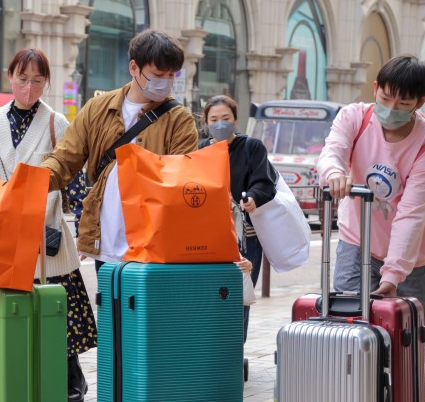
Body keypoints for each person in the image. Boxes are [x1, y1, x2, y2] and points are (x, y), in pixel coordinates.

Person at [0, 48, 96, 402]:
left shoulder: (56, 124)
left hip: (44, 229)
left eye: (37, 81)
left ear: (46, 82)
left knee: (57, 303)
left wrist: (85, 231)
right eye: (22, 79)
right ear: (9, 77)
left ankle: (70, 375)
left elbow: (74, 183)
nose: (29, 88)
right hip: (0, 230)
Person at [39, 28, 199, 271]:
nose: (165, 83)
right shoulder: (97, 108)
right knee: (109, 308)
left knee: (146, 309)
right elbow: (64, 160)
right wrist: (30, 182)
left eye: (170, 75)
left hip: (153, 246)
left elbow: (181, 181)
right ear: (134, 68)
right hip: (105, 242)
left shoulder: (180, 120)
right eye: (157, 75)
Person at [317, 53, 425, 332]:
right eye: (385, 99)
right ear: (375, 88)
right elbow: (332, 151)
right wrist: (334, 173)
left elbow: (411, 213)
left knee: (408, 335)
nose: (391, 108)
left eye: (404, 103)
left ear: (420, 102)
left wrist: (394, 273)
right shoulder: (354, 117)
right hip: (357, 239)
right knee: (347, 329)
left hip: (412, 256)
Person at [199, 95, 277, 342]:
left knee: (239, 294)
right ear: (205, 122)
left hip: (246, 238)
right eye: (214, 119)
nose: (220, 124)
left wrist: (253, 197)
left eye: (226, 118)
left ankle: (235, 350)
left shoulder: (251, 147)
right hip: (211, 236)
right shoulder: (201, 149)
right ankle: (214, 348)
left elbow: (263, 181)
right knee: (211, 294)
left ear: (235, 119)